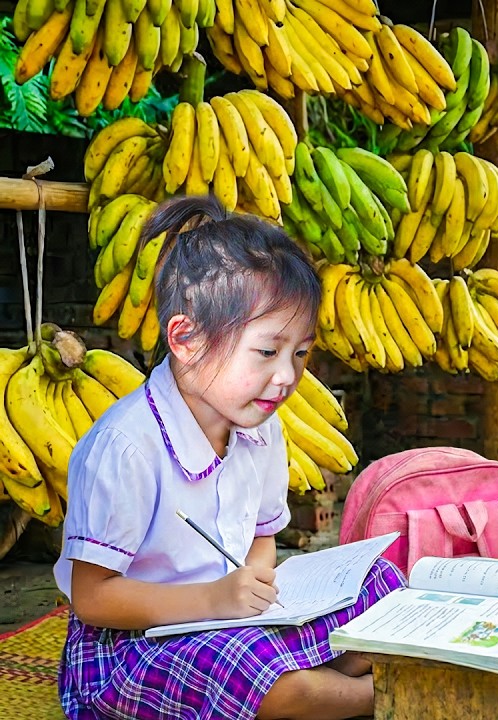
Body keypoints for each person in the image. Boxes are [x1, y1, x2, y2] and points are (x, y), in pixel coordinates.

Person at [54, 196, 404, 720]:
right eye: (267, 352)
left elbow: (262, 538)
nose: (287, 376)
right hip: (131, 648)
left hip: (233, 622)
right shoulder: (126, 447)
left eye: (300, 353)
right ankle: (383, 697)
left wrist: (253, 586)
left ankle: (321, 683)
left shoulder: (263, 431)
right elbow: (94, 597)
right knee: (259, 675)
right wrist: (217, 601)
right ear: (187, 339)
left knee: (383, 584)